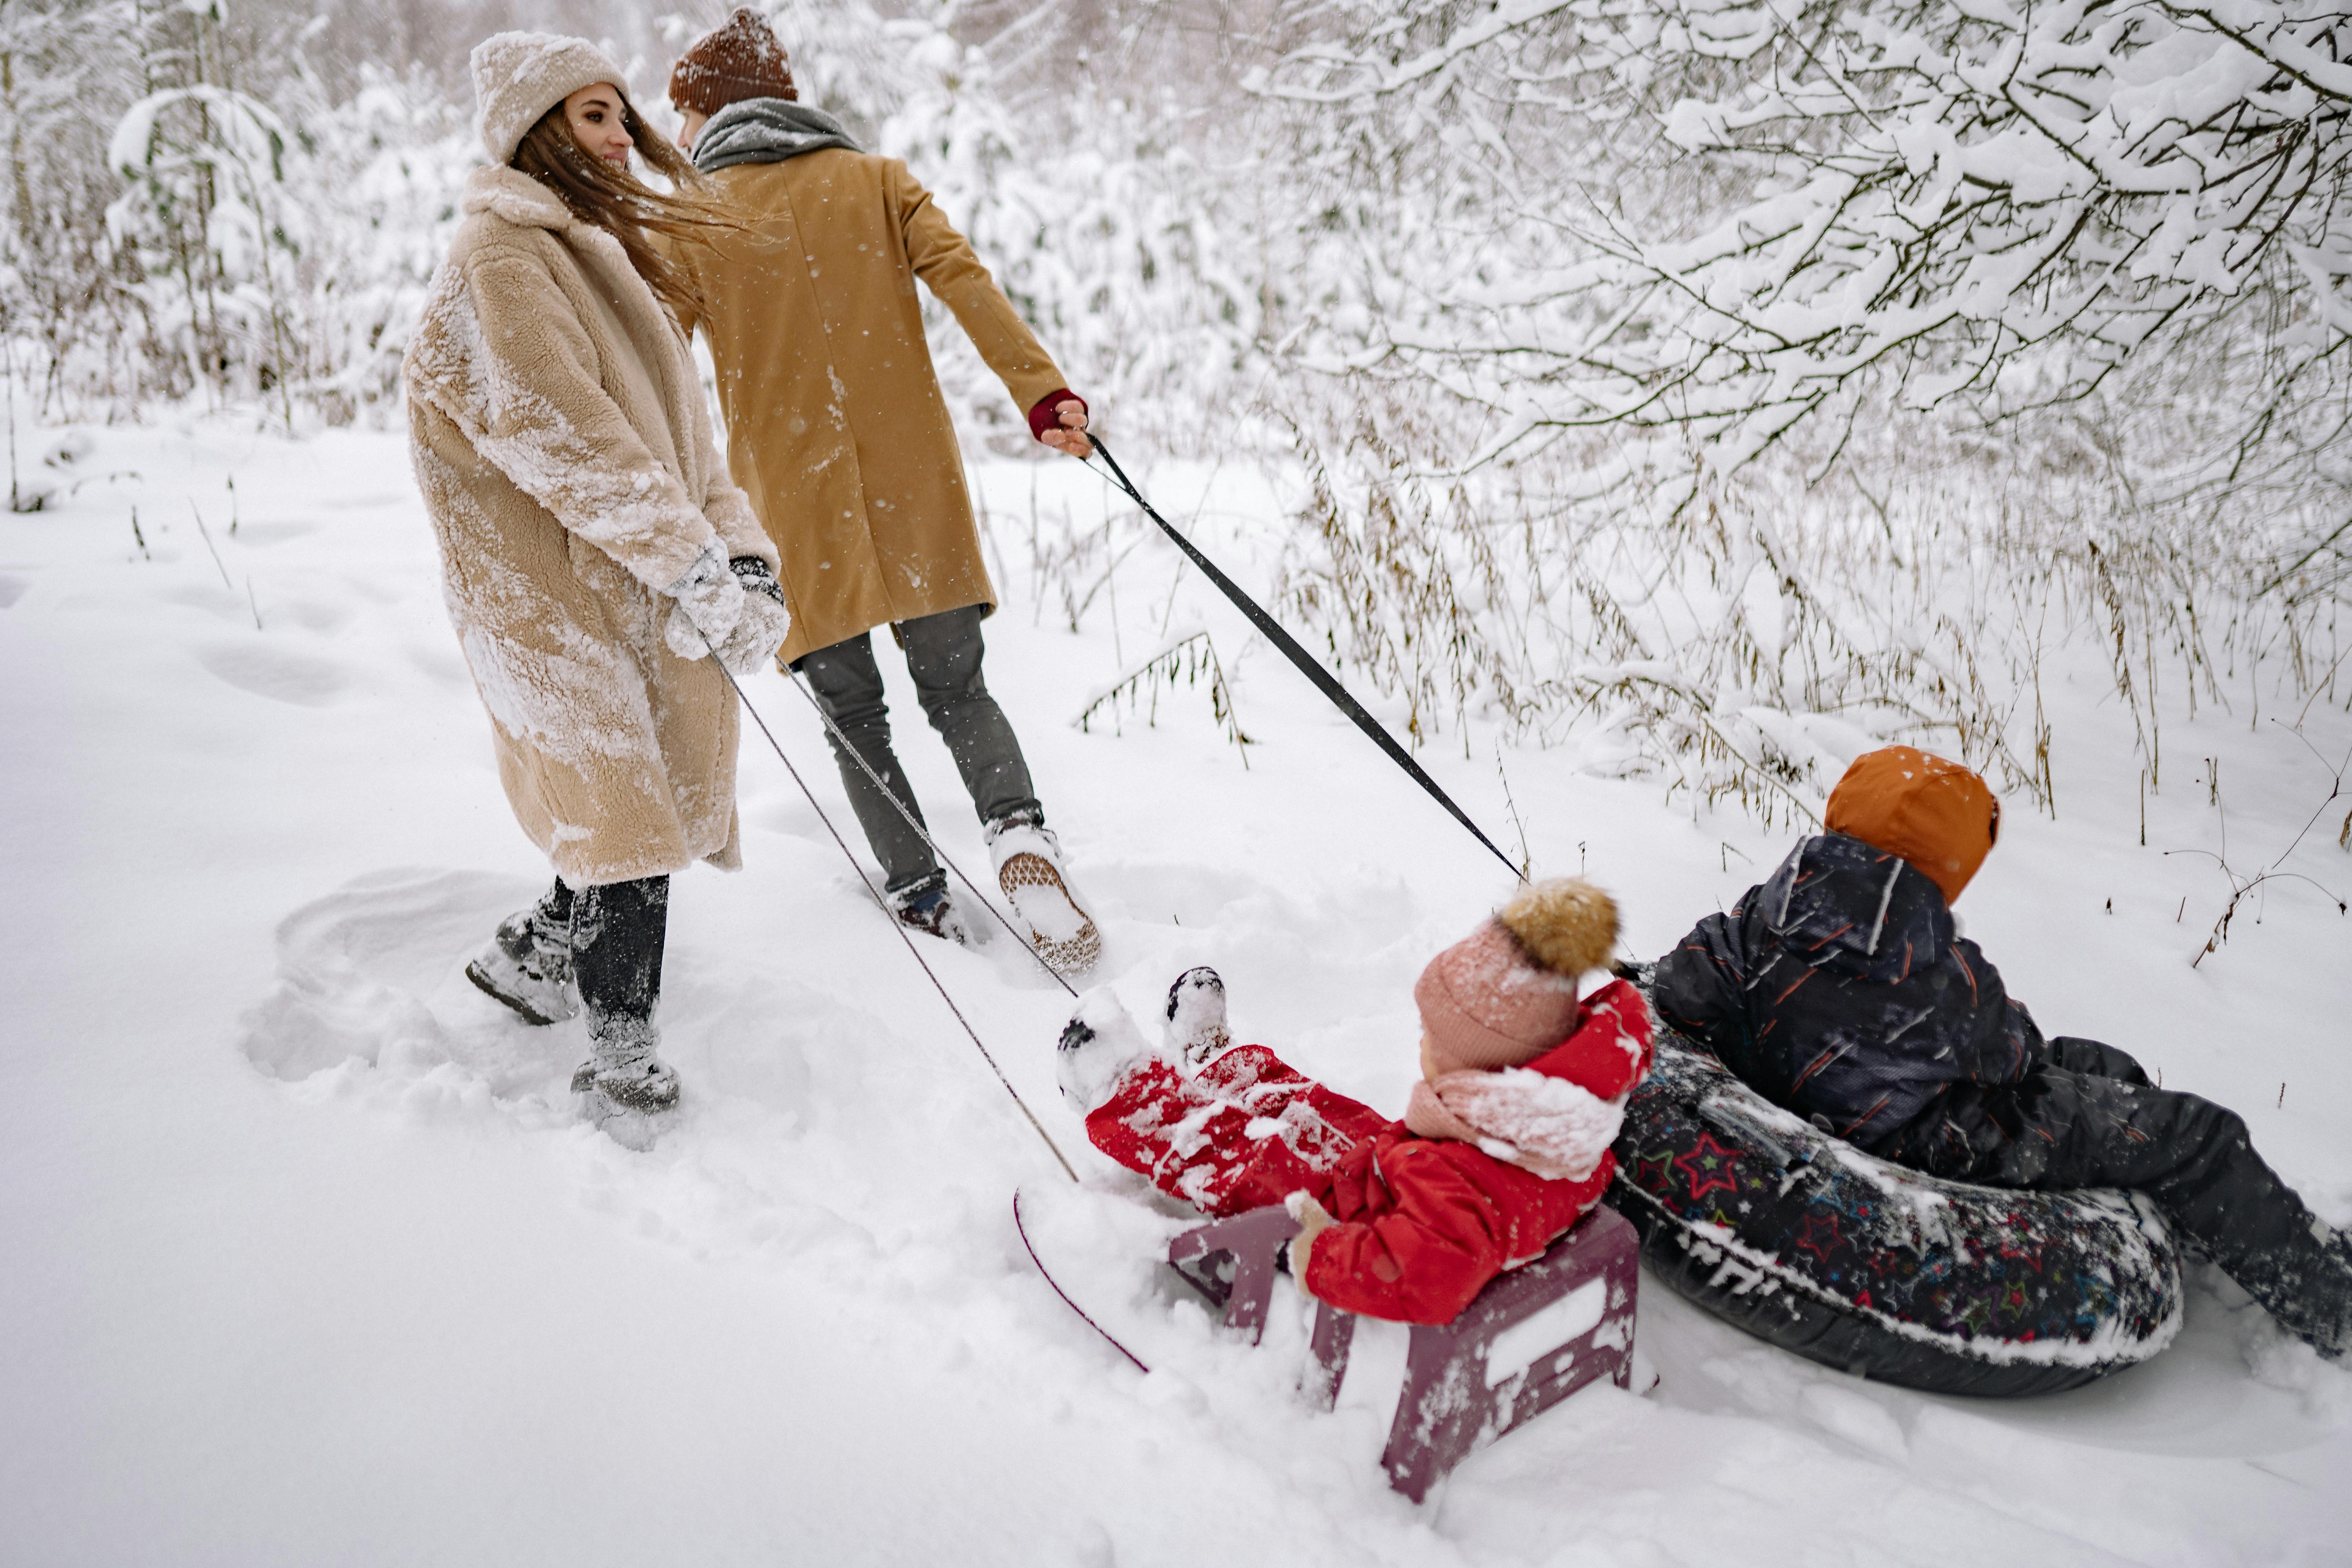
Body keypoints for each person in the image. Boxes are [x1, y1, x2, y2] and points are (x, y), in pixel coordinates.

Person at [1650, 746, 2352, 1358]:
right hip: (1931, 1140)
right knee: (2195, 1134)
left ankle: (2180, 1218)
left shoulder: (1760, 913)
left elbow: (1684, 984)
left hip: (1827, 1103)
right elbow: (2015, 1055)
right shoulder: (1939, 971)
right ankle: (2332, 1302)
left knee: (2093, 1064)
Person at [403, 33, 791, 1117]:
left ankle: (532, 958)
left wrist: (743, 562)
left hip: (626, 574)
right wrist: (691, 566)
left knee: (634, 797)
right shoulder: (500, 258)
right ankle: (621, 1053)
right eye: (592, 117)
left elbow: (687, 449)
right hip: (544, 598)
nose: (622, 137)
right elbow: (571, 442)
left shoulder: (600, 254)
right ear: (535, 130)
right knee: (628, 815)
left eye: (621, 113)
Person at [661, 9, 1099, 969]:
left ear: (716, 108)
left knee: (854, 717)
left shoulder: (695, 221)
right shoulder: (878, 182)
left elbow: (656, 365)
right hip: (914, 492)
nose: (679, 139)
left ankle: (920, 891)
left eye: (683, 116)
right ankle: (1017, 829)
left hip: (794, 511)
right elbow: (969, 284)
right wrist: (1044, 395)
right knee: (959, 686)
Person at [1056, 880, 1651, 1324]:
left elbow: (1424, 1275)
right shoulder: (1547, 1126)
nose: (1421, 1044)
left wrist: (1321, 1253)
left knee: (1239, 1156)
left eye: (1436, 1041)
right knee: (1312, 1106)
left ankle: (1132, 1100)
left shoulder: (1466, 1190)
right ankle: (1219, 1073)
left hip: (1354, 1221)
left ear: (1488, 1069)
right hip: (1398, 1176)